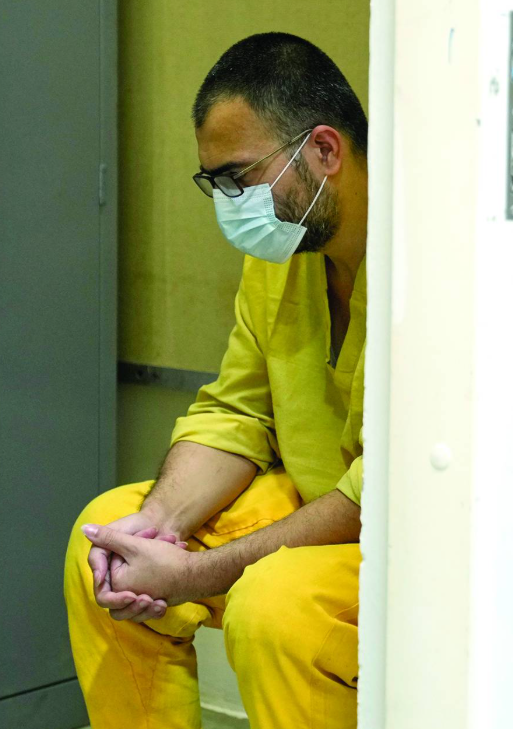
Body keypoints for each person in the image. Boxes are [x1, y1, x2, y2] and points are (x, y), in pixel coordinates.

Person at [64, 32, 368, 729]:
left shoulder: (440, 258)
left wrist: (197, 574)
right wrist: (156, 525)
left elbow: (381, 494)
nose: (229, 203)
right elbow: (237, 414)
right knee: (102, 550)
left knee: (275, 607)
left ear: (324, 151)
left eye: (239, 177)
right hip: (313, 505)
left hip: (406, 532)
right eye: (215, 184)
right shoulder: (285, 253)